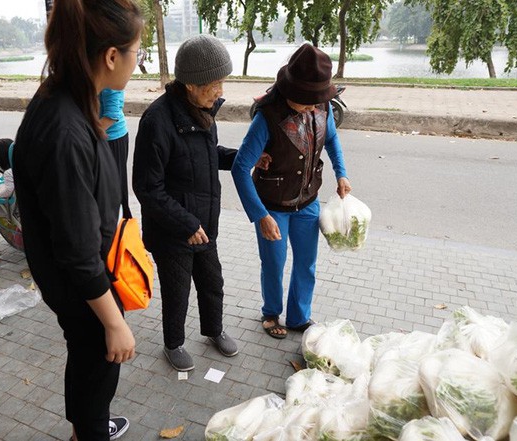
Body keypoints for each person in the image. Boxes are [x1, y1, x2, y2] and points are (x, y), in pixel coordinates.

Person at [12, 0, 142, 439]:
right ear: (110, 56)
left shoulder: (68, 96)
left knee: (90, 359)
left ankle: (89, 424)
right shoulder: (65, 128)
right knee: (97, 358)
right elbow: (77, 253)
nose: (136, 64)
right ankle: (89, 431)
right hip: (83, 284)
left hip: (84, 273)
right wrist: (115, 322)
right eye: (136, 53)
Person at [132, 35, 239, 372]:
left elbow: (207, 158)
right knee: (178, 293)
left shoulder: (204, 111)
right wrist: (186, 224)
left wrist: (243, 159)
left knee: (212, 283)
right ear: (191, 85)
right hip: (174, 230)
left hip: (204, 224)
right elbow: (147, 188)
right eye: (215, 83)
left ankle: (213, 330)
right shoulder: (157, 122)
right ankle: (173, 343)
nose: (220, 90)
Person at [231, 44, 352, 339]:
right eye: (308, 102)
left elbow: (332, 140)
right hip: (272, 204)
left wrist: (342, 173)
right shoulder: (267, 116)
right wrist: (260, 215)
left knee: (307, 264)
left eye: (317, 101)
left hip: (307, 201)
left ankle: (299, 317)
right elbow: (239, 168)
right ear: (291, 92)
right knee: (274, 262)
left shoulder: (322, 107)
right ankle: (271, 312)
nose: (314, 107)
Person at [100, 88, 129, 210]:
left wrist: (85, 135)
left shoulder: (110, 79)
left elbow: (111, 116)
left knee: (114, 191)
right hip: (100, 136)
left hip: (113, 139)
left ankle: (120, 226)